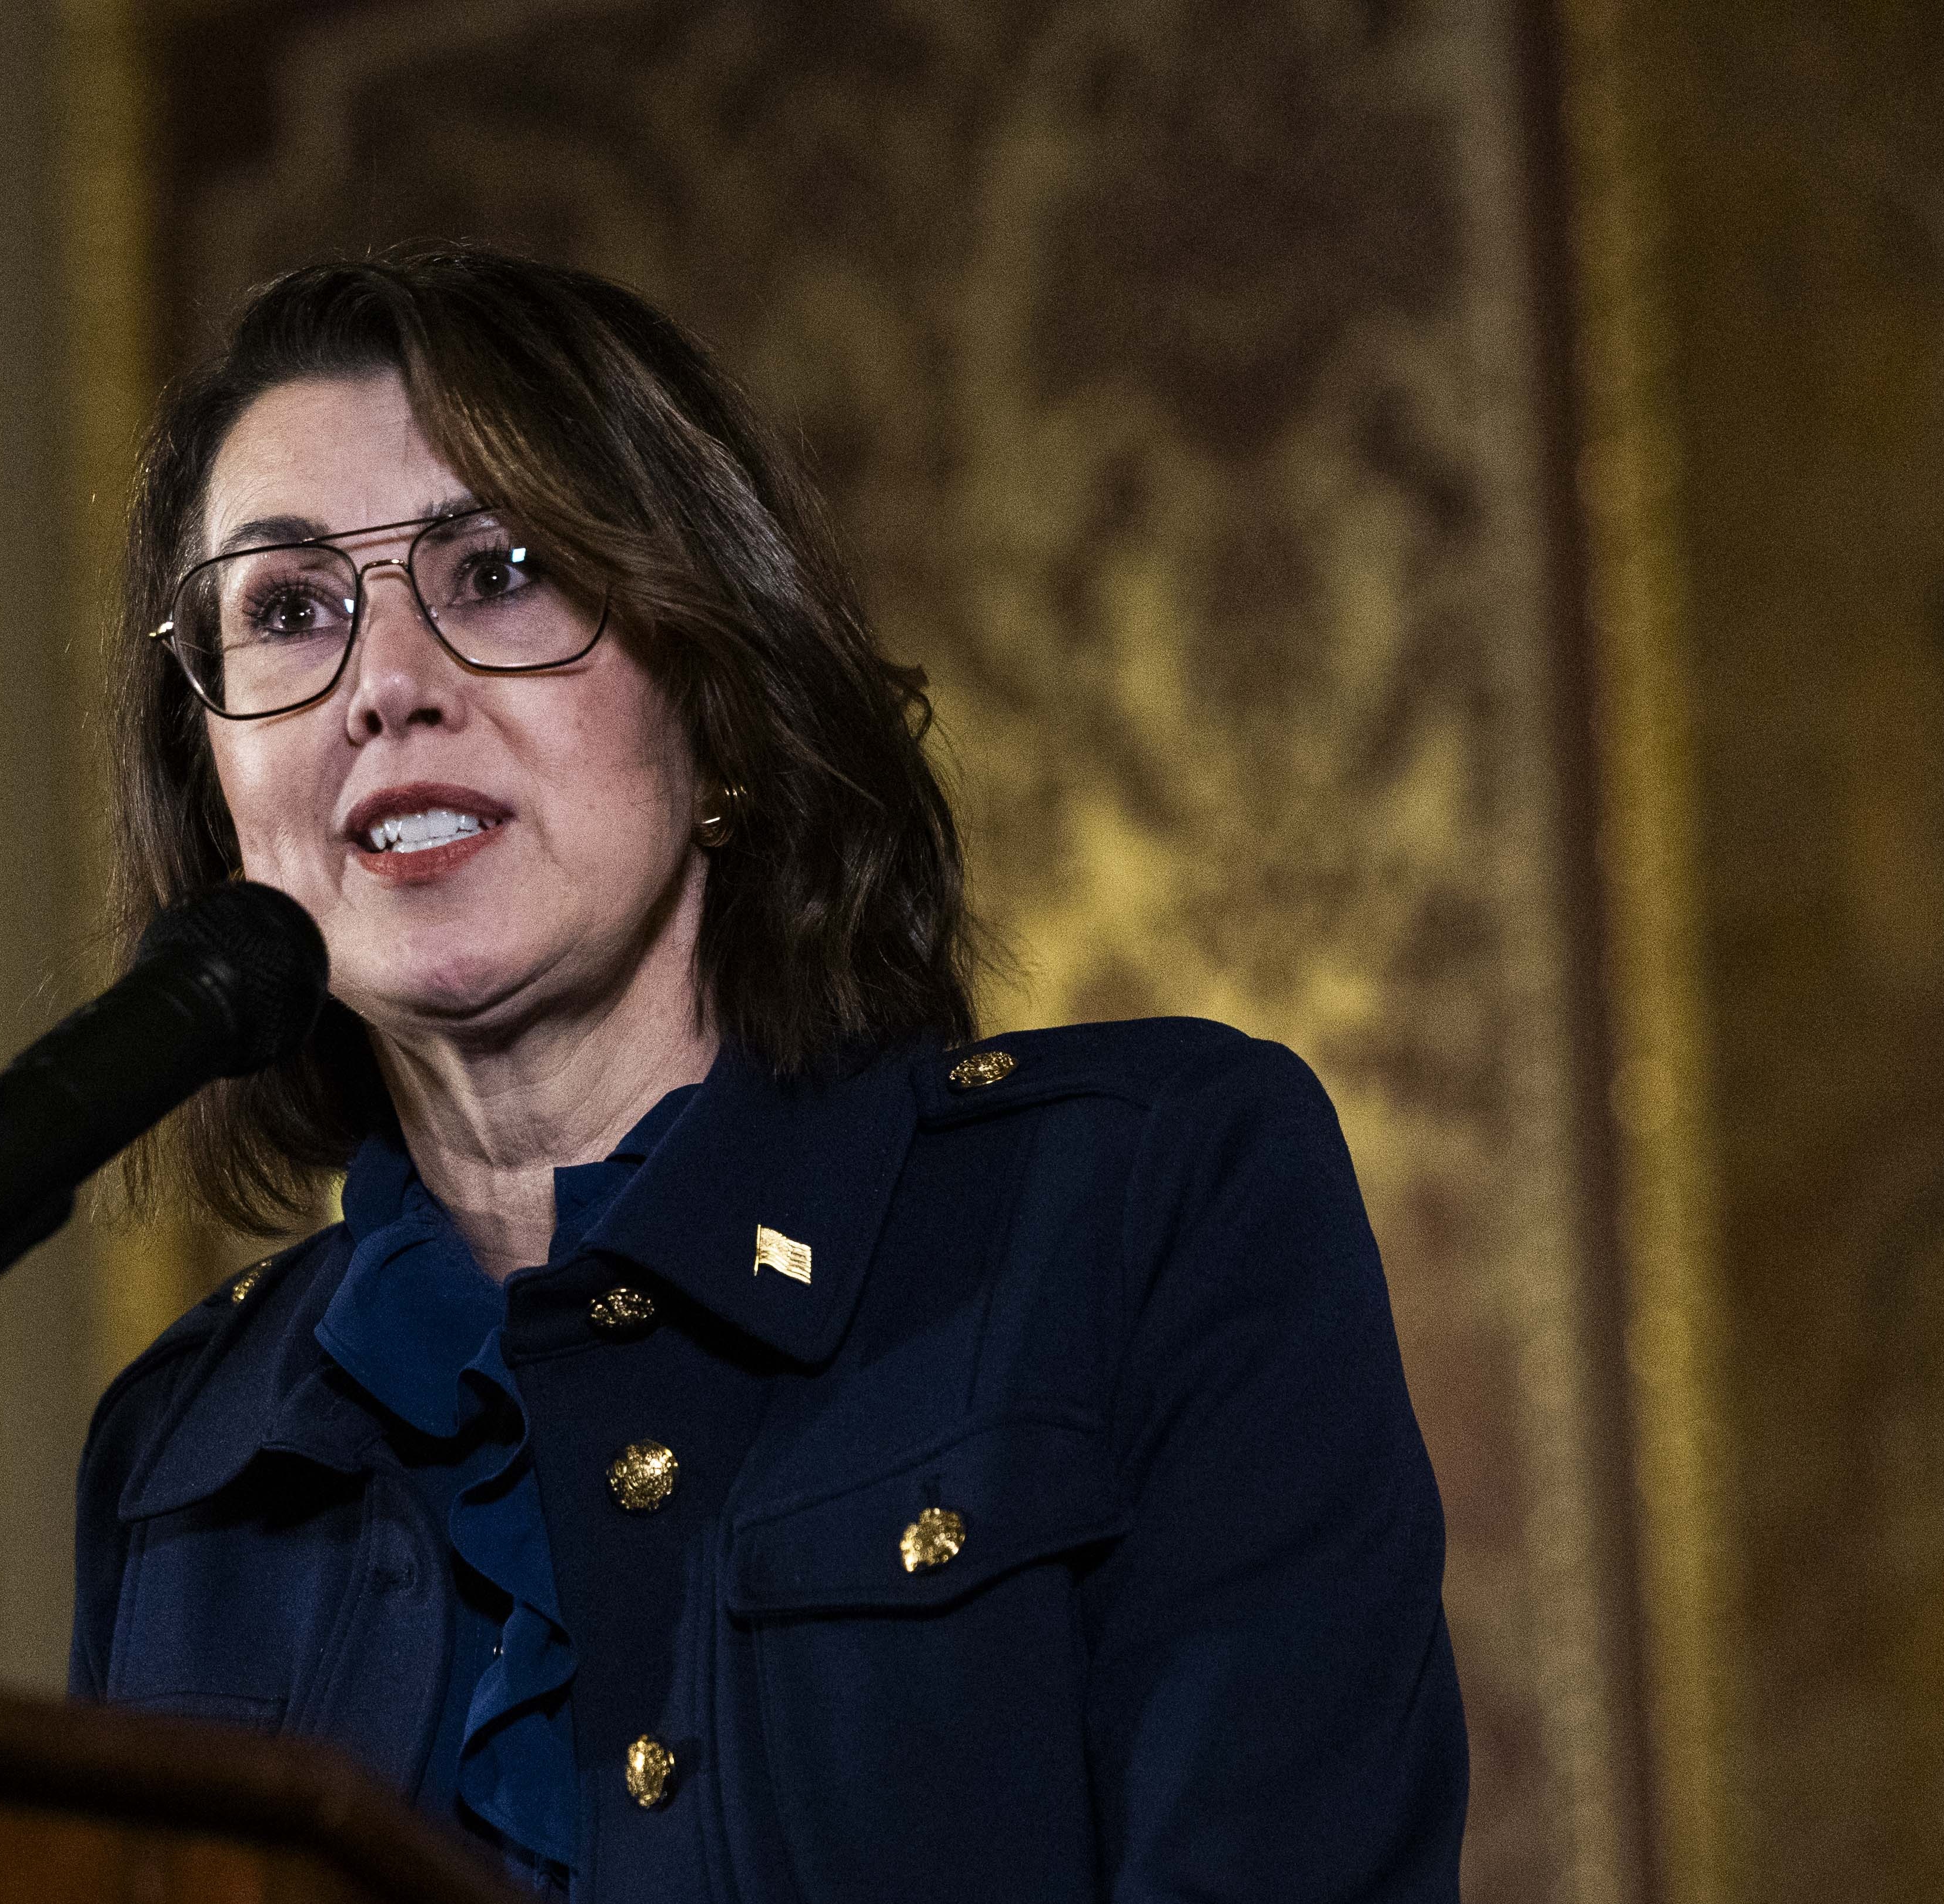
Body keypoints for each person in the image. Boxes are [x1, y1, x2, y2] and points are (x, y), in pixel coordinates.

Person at [70, 246, 1465, 1904]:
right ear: (217, 773)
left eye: (501, 568)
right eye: (290, 611)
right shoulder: (183, 1455)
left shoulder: (1147, 1197)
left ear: (719, 696)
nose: (385, 687)